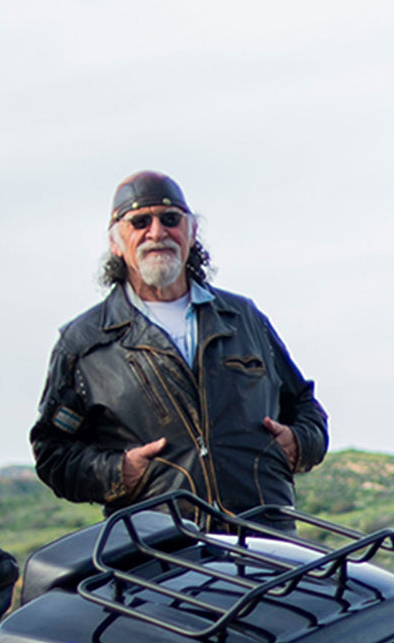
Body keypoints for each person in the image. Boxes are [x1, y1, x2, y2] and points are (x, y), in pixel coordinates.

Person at [30, 170, 328, 525]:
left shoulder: (243, 318)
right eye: (139, 222)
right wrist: (118, 472)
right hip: (160, 548)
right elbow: (52, 453)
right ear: (115, 242)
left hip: (263, 538)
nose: (157, 232)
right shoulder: (85, 343)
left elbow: (305, 406)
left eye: (170, 219)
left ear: (192, 231)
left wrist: (298, 444)